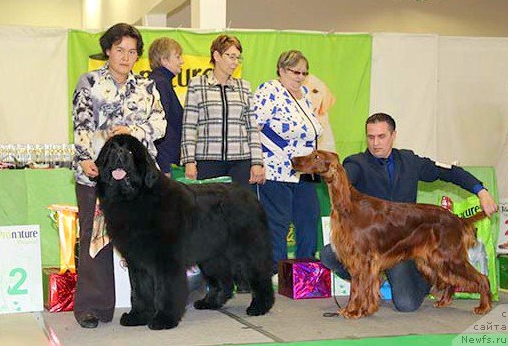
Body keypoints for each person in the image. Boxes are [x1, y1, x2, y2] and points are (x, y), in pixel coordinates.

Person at [320, 112, 498, 312]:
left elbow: (447, 172)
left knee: (406, 304)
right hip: (370, 245)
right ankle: (372, 280)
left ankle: (430, 278)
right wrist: (328, 171)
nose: (375, 143)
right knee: (328, 254)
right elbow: (344, 179)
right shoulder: (356, 163)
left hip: (403, 248)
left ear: (393, 135)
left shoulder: (410, 161)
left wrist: (481, 191)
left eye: (381, 136)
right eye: (371, 137)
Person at [72, 23, 166, 328]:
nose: (126, 56)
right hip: (99, 175)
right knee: (95, 238)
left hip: (140, 181)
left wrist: (134, 131)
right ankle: (92, 307)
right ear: (108, 51)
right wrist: (86, 158)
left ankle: (150, 302)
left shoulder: (147, 87)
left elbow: (160, 124)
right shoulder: (89, 82)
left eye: (132, 51)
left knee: (147, 239)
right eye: (120, 49)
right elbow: (82, 125)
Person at [253, 50, 324, 276]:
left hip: (305, 171)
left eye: (304, 72)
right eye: (296, 72)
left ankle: (305, 271)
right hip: (276, 170)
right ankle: (278, 273)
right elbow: (254, 127)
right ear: (282, 70)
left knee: (309, 220)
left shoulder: (304, 95)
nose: (300, 76)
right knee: (278, 224)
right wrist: (257, 161)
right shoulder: (269, 90)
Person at [180, 34, 265, 188]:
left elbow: (252, 128)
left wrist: (257, 162)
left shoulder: (244, 86)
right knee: (209, 210)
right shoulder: (197, 84)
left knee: (241, 210)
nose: (235, 62)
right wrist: (189, 161)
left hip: (241, 162)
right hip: (208, 161)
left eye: (238, 58)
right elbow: (189, 127)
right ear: (217, 56)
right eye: (231, 56)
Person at [148, 37, 184, 177]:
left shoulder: (162, 82)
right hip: (163, 164)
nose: (182, 61)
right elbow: (160, 128)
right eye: (177, 56)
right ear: (164, 60)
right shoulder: (160, 84)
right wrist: (164, 167)